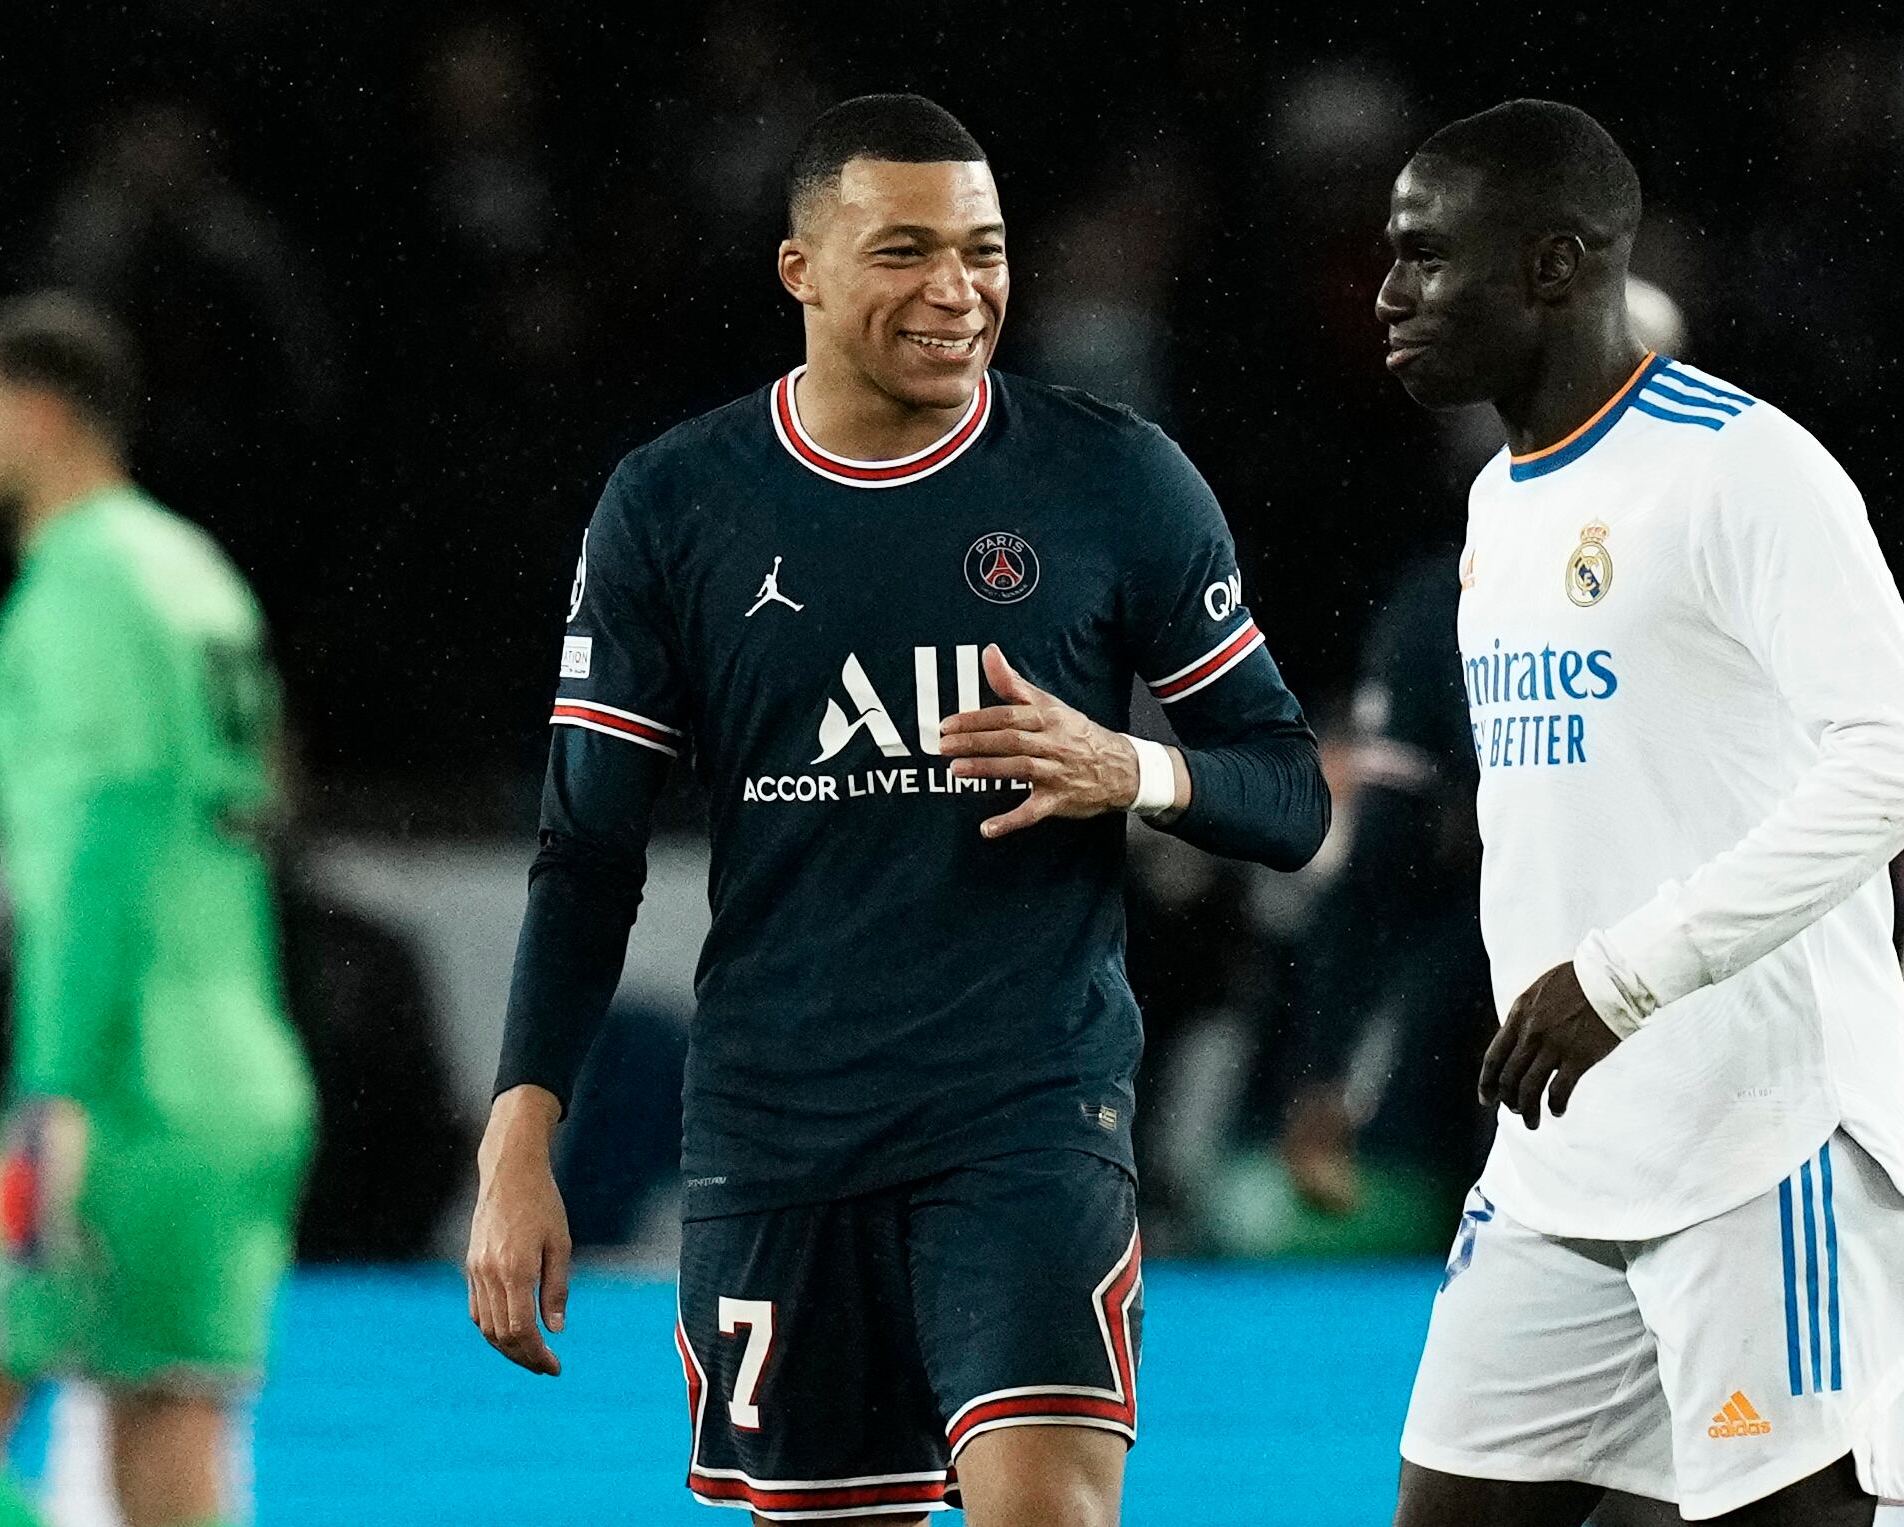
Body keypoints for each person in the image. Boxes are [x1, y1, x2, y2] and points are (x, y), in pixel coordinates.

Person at [466, 94, 1329, 1525]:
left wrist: (1138, 768)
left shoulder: (1111, 478)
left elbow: (1287, 789)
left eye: (985, 251)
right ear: (799, 266)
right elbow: (588, 854)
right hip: (778, 1126)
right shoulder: (673, 506)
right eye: (905, 250)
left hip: (1029, 1103)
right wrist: (516, 1141)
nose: (957, 290)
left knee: (1049, 1506)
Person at [1376, 100, 1904, 1526]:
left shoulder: (1742, 466)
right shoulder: (1498, 501)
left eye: (1427, 257)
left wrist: (1626, 973)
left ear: (1552, 265)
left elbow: (1887, 759)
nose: (1388, 295)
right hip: (1563, 1149)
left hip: (1761, 1135)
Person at [0, 292, 315, 1527]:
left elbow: (101, 847)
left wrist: (54, 1090)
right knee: (171, 1485)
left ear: (36, 414)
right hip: (235, 1079)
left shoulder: (81, 592)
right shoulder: (192, 571)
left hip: (117, 1087)